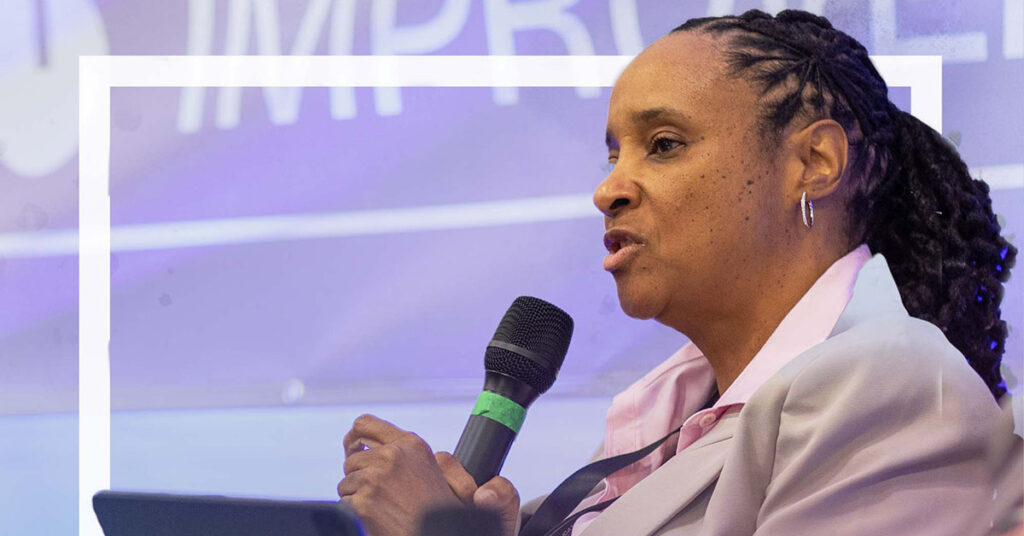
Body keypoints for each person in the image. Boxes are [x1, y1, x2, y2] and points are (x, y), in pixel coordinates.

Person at [336, 9, 1018, 536]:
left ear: (814, 164)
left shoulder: (891, 385)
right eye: (612, 156)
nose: (610, 190)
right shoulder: (662, 418)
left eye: (663, 145)